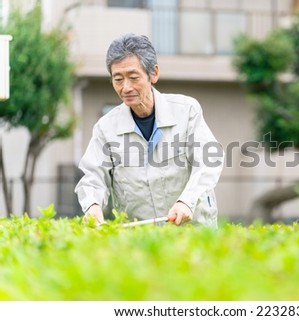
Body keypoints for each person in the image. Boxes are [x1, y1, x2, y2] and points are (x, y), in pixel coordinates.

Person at [75, 33, 224, 227]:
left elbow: (209, 162)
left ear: (153, 73)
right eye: (118, 79)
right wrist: (92, 206)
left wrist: (187, 201)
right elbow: (92, 176)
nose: (125, 87)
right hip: (141, 238)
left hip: (193, 232)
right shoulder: (105, 128)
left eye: (133, 77)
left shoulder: (187, 111)